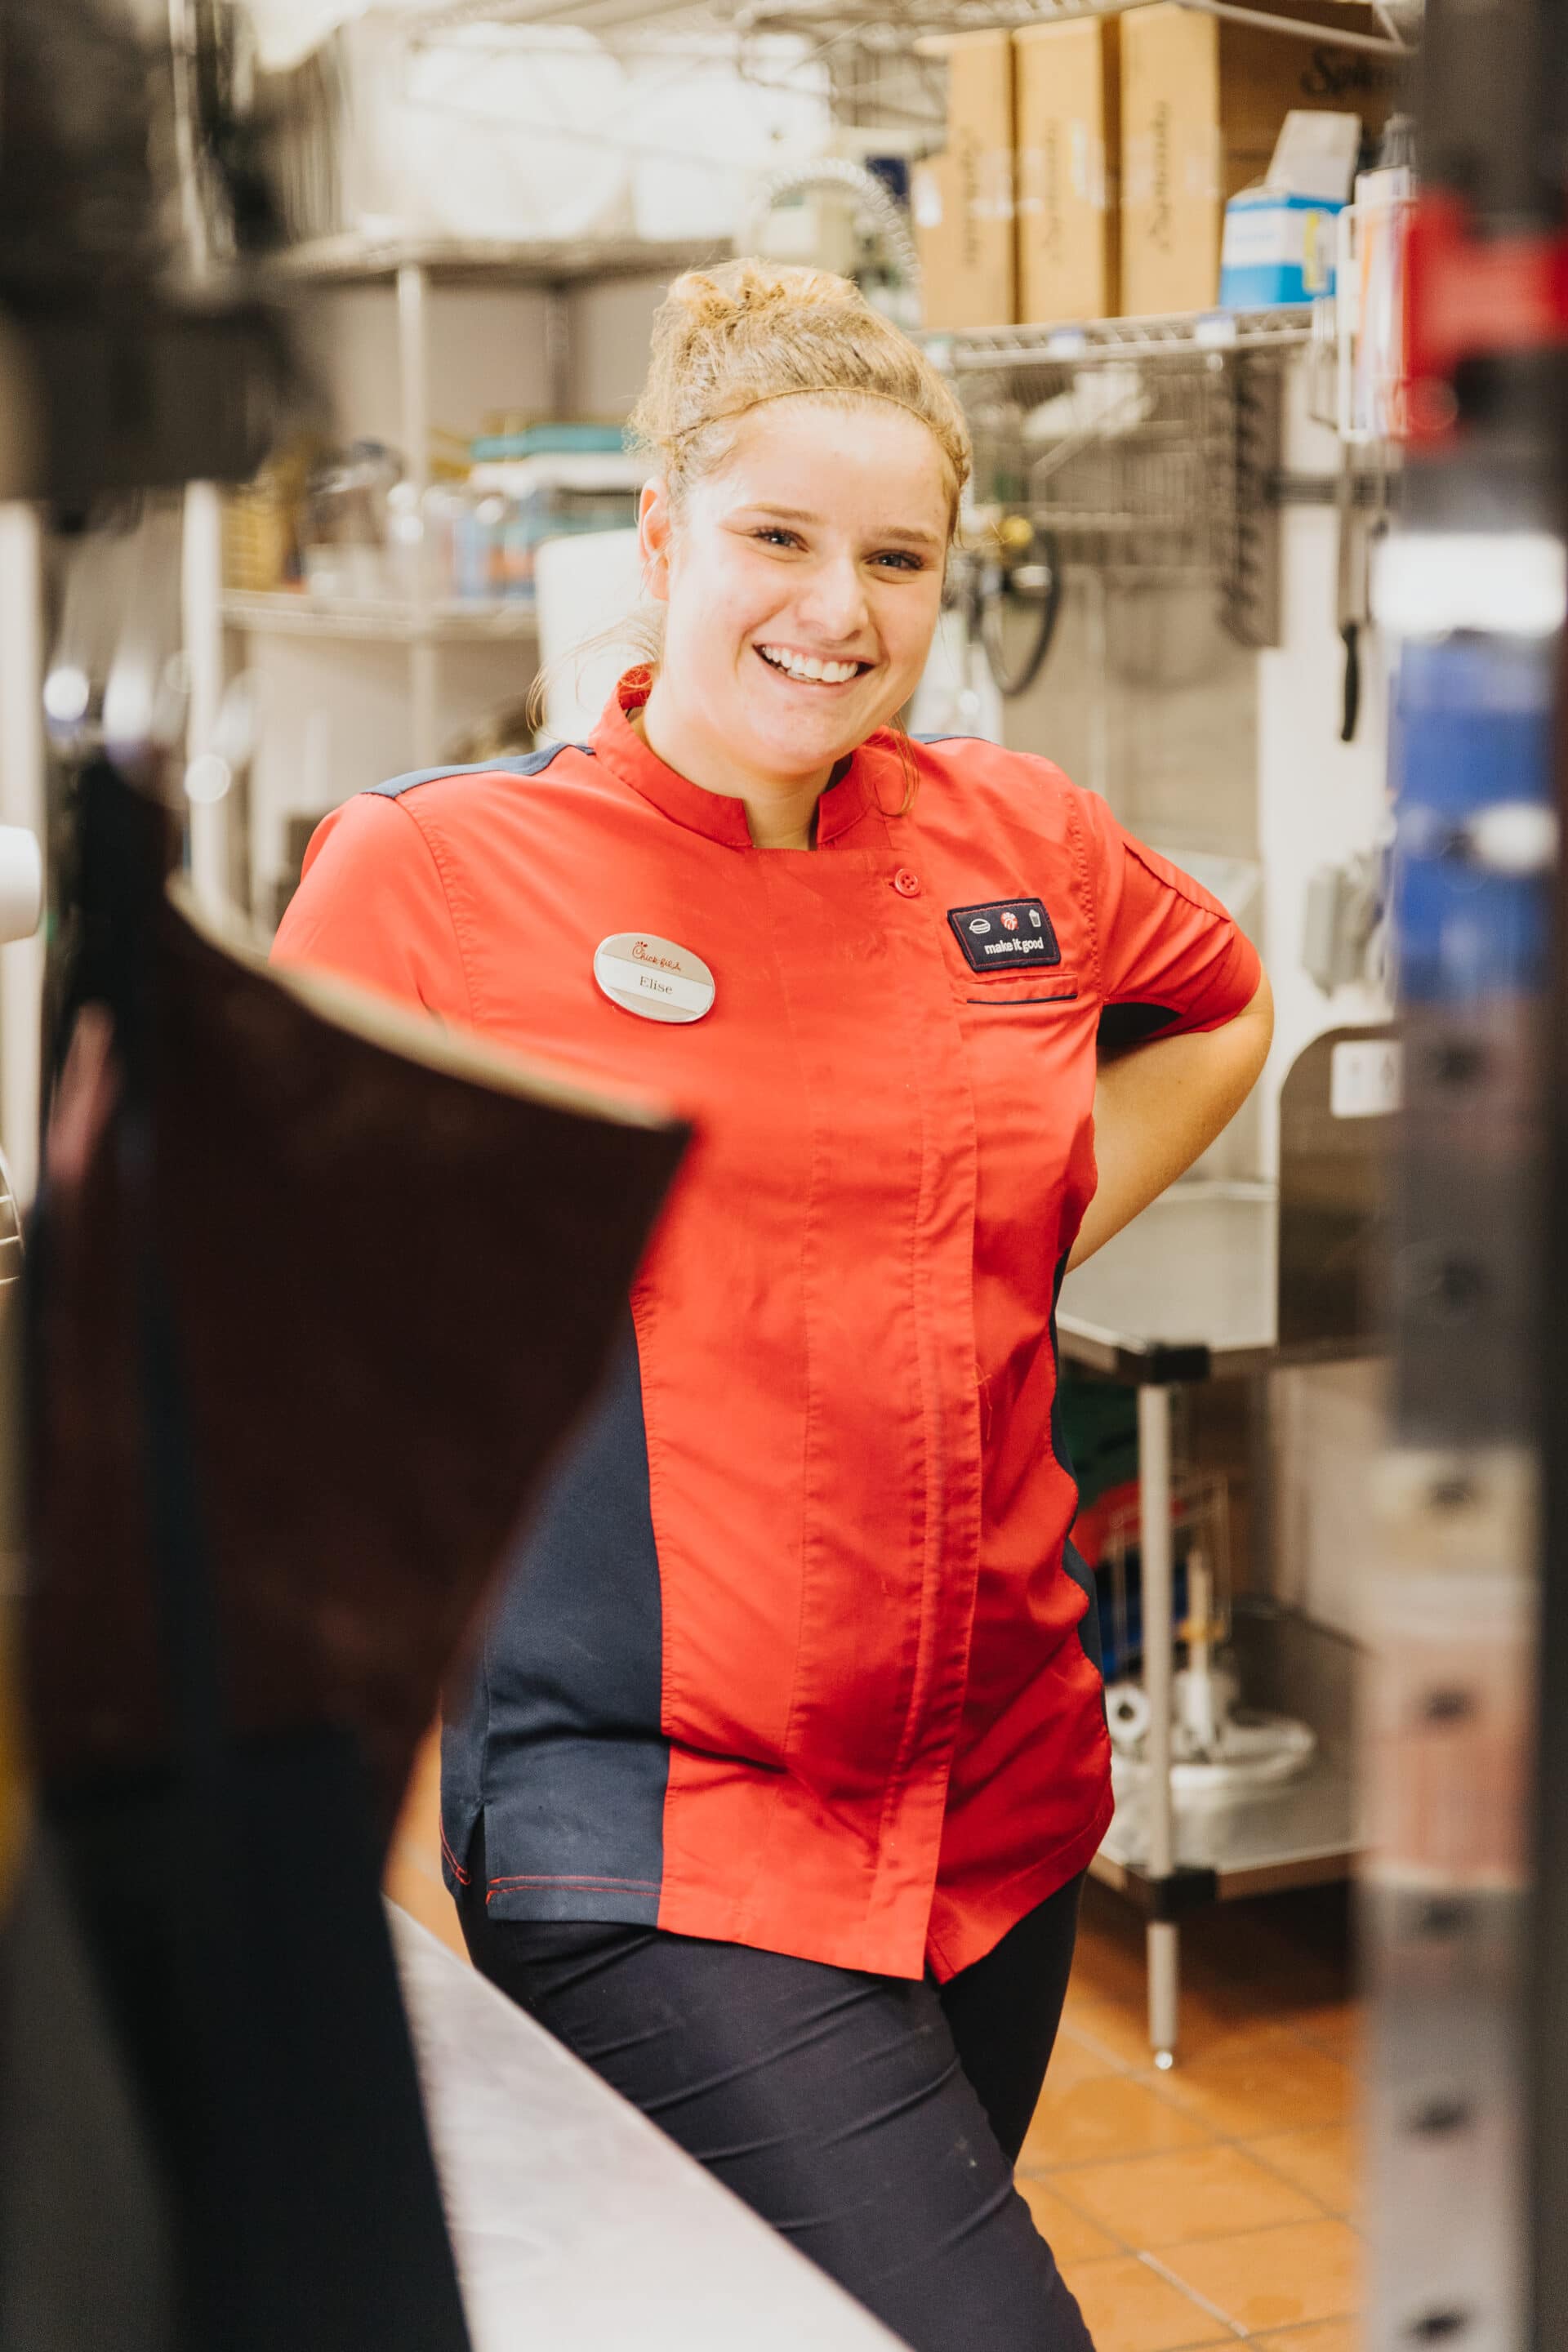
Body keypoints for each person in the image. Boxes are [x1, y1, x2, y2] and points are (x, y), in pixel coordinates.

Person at [274, 261, 1274, 2351]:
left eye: (896, 556)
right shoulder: (440, 879)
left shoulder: (1019, 842)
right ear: (659, 541)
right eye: (779, 539)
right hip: (659, 1828)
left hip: (1003, 1794)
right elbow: (277, 1361)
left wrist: (1009, 1241)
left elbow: (1223, 1005)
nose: (840, 607)